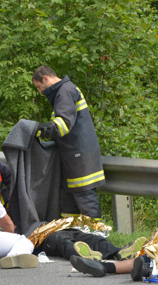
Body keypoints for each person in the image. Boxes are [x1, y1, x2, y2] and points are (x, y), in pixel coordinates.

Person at [32, 66, 105, 220]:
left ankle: (96, 240)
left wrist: (40, 130)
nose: (40, 92)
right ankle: (72, 240)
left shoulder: (64, 91)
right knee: (69, 204)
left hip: (79, 158)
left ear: (45, 78)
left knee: (86, 201)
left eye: (39, 87)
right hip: (73, 158)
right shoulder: (64, 90)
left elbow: (63, 124)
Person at [37, 230, 146, 262]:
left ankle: (119, 252)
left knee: (94, 239)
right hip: (42, 233)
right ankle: (86, 255)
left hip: (65, 226)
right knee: (63, 241)